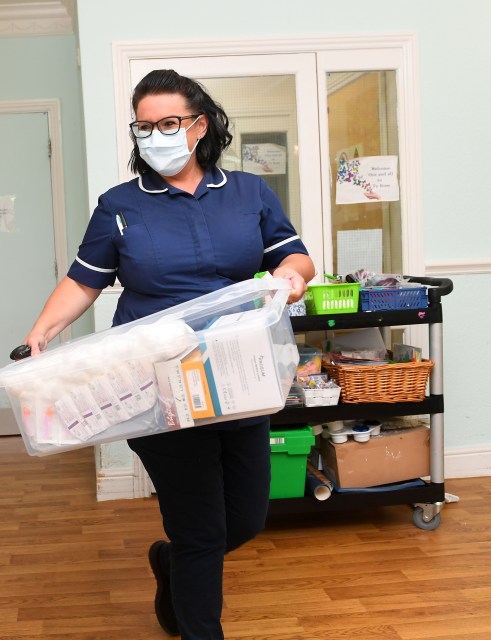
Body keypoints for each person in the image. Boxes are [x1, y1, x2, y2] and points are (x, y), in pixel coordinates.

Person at [22, 69, 315, 639]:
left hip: (239, 379)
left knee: (247, 520)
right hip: (159, 383)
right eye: (145, 125)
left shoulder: (250, 192)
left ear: (199, 126)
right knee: (202, 529)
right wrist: (42, 332)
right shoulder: (120, 205)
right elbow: (84, 280)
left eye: (169, 123)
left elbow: (296, 257)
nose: (156, 134)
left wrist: (288, 275)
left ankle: (170, 561)